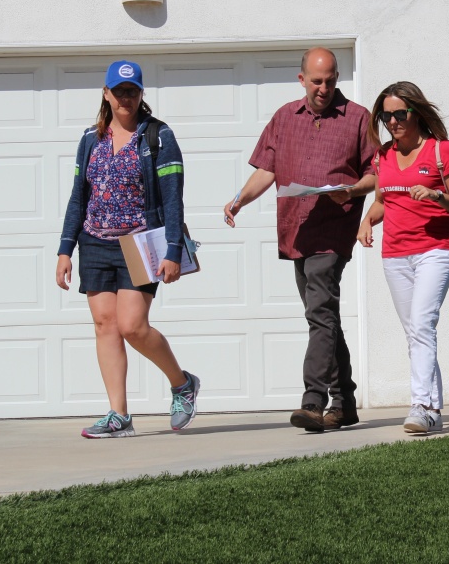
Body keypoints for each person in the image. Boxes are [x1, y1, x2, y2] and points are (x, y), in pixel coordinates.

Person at [223, 47, 375, 433]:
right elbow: (266, 170)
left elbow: (378, 174)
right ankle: (345, 401)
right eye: (316, 81)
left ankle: (313, 402)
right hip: (296, 230)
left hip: (333, 229)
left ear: (337, 77)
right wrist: (240, 199)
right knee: (324, 317)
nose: (323, 88)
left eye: (330, 80)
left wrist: (353, 191)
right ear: (302, 79)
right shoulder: (284, 118)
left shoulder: (358, 118)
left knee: (318, 313)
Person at [56, 60, 200, 439]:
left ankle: (182, 383)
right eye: (118, 92)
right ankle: (119, 415)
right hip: (94, 242)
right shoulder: (91, 139)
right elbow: (77, 199)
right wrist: (65, 249)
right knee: (106, 326)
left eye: (132, 91)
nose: (125, 98)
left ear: (141, 94)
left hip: (140, 243)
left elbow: (173, 197)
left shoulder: (158, 137)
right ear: (105, 93)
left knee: (133, 327)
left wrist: (172, 249)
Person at [357, 81, 449, 434]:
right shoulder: (383, 156)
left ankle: (420, 405)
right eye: (386, 116)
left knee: (422, 325)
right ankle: (433, 410)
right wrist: (366, 220)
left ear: (416, 113)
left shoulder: (443, 151)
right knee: (415, 333)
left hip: (435, 250)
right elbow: (383, 199)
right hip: (395, 254)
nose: (392, 121)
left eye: (399, 113)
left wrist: (437, 195)